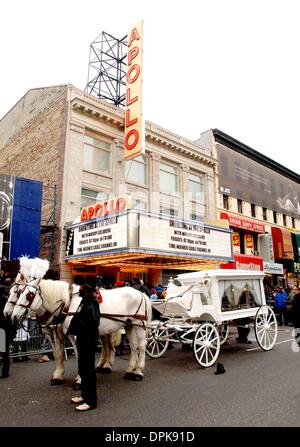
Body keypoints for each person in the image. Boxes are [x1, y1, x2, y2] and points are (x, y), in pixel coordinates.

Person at [68, 282, 100, 411]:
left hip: (88, 339)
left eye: (82, 289)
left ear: (87, 291)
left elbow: (93, 321)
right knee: (82, 369)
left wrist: (80, 323)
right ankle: (84, 395)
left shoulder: (92, 303)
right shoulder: (84, 302)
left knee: (88, 371)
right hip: (82, 338)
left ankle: (91, 401)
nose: (79, 290)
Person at [0, 277, 16, 378]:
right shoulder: (6, 302)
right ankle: (5, 371)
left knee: (3, 351)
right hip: (3, 330)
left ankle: (5, 371)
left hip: (2, 330)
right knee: (4, 351)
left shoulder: (5, 302)